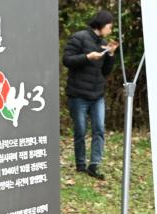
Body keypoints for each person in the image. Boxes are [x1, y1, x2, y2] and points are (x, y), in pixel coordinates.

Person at [63, 10, 119, 180]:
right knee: (80, 130)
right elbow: (67, 60)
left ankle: (94, 165)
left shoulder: (103, 43)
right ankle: (80, 164)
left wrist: (110, 54)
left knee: (99, 129)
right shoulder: (79, 37)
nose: (110, 30)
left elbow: (105, 71)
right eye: (109, 26)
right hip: (78, 94)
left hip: (97, 95)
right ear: (101, 25)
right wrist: (87, 57)